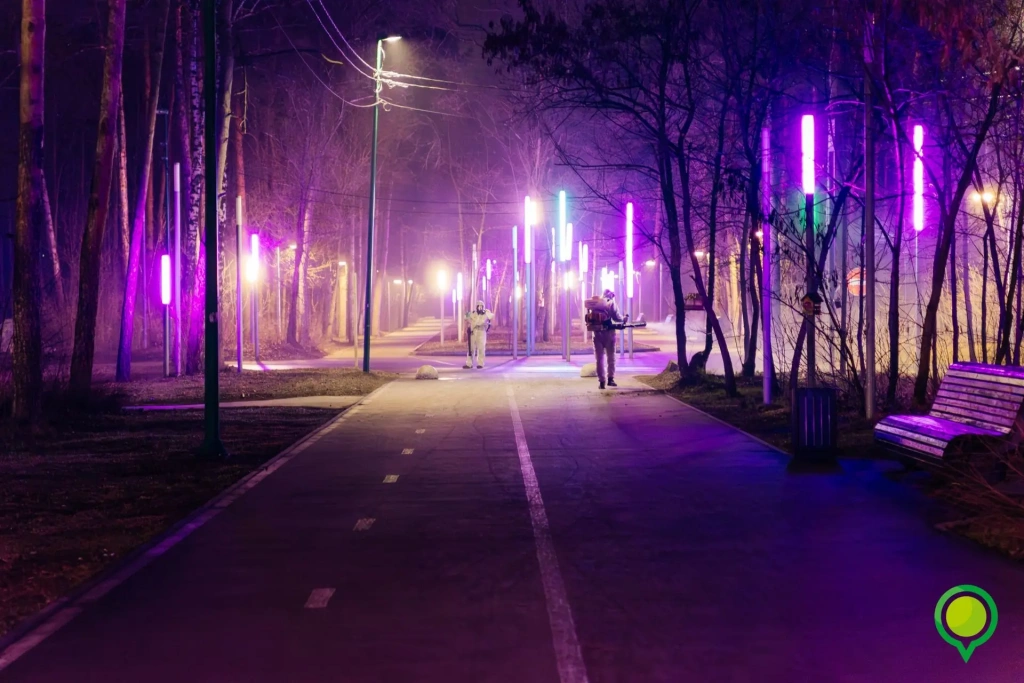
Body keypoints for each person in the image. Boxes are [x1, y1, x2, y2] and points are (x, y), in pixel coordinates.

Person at [585, 289, 624, 389]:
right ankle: (610, 379)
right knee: (611, 357)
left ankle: (601, 382)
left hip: (596, 334)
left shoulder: (595, 304)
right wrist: (623, 319)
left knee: (599, 359)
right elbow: (617, 318)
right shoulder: (610, 303)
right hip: (609, 333)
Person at [464, 300, 494, 369]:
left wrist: (487, 312)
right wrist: (467, 313)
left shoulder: (485, 313)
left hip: (481, 332)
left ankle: (480, 363)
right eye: (478, 306)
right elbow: (465, 316)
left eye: (481, 306)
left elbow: (491, 316)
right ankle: (469, 363)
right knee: (471, 349)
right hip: (473, 332)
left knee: (481, 349)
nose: (480, 308)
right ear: (476, 307)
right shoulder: (473, 313)